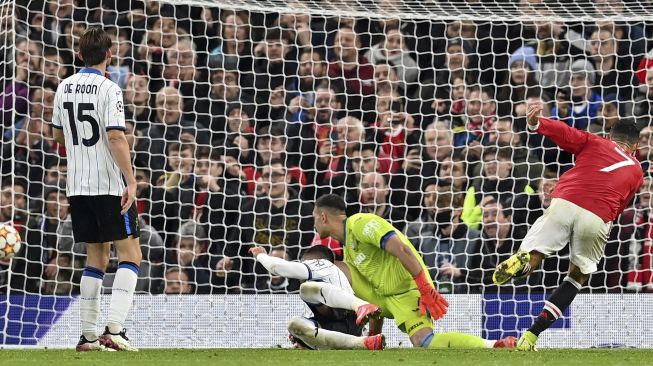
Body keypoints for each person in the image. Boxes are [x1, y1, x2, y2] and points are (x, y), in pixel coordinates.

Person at [492, 101, 644, 351]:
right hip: (598, 215)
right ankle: (531, 336)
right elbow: (621, 206)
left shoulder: (595, 142)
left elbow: (565, 133)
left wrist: (536, 123)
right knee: (576, 276)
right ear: (635, 146)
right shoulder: (637, 171)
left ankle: (523, 261)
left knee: (535, 255)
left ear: (609, 135)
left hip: (565, 200)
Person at [311, 194, 516, 349]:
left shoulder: (361, 223)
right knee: (333, 267)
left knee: (424, 341)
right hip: (385, 297)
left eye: (314, 218)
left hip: (408, 290)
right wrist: (374, 336)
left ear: (323, 216)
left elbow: (402, 249)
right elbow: (373, 297)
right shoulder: (349, 251)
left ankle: (494, 345)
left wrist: (425, 287)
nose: (314, 224)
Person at [51, 27, 141, 352]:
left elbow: (58, 136)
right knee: (130, 254)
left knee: (95, 256)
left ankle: (89, 336)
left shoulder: (63, 87)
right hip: (109, 185)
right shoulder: (109, 89)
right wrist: (131, 180)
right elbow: (116, 137)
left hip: (78, 185)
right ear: (110, 54)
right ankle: (115, 331)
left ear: (78, 54)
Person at [249, 245, 385, 350]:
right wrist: (304, 338)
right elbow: (322, 313)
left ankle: (360, 306)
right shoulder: (327, 282)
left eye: (304, 263)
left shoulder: (323, 264)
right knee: (294, 325)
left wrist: (260, 255)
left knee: (305, 289)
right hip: (341, 329)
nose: (303, 267)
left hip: (348, 315)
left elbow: (276, 267)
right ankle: (363, 343)